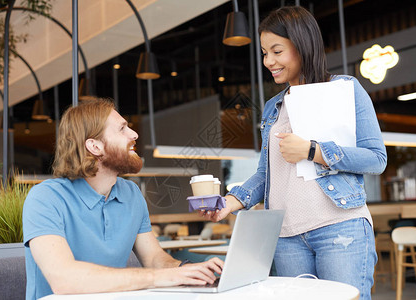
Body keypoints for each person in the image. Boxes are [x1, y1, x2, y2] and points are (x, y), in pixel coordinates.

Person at [201, 6, 386, 300]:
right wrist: (230, 202)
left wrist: (312, 150)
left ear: (302, 46)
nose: (269, 61)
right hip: (286, 236)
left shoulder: (344, 89)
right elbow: (266, 173)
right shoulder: (274, 107)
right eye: (264, 53)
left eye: (277, 51)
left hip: (338, 228)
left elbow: (376, 158)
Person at [23, 98, 224, 300]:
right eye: (122, 129)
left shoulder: (131, 193)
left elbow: (154, 258)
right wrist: (159, 277)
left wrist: (189, 270)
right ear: (95, 146)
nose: (134, 134)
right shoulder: (45, 198)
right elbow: (65, 279)